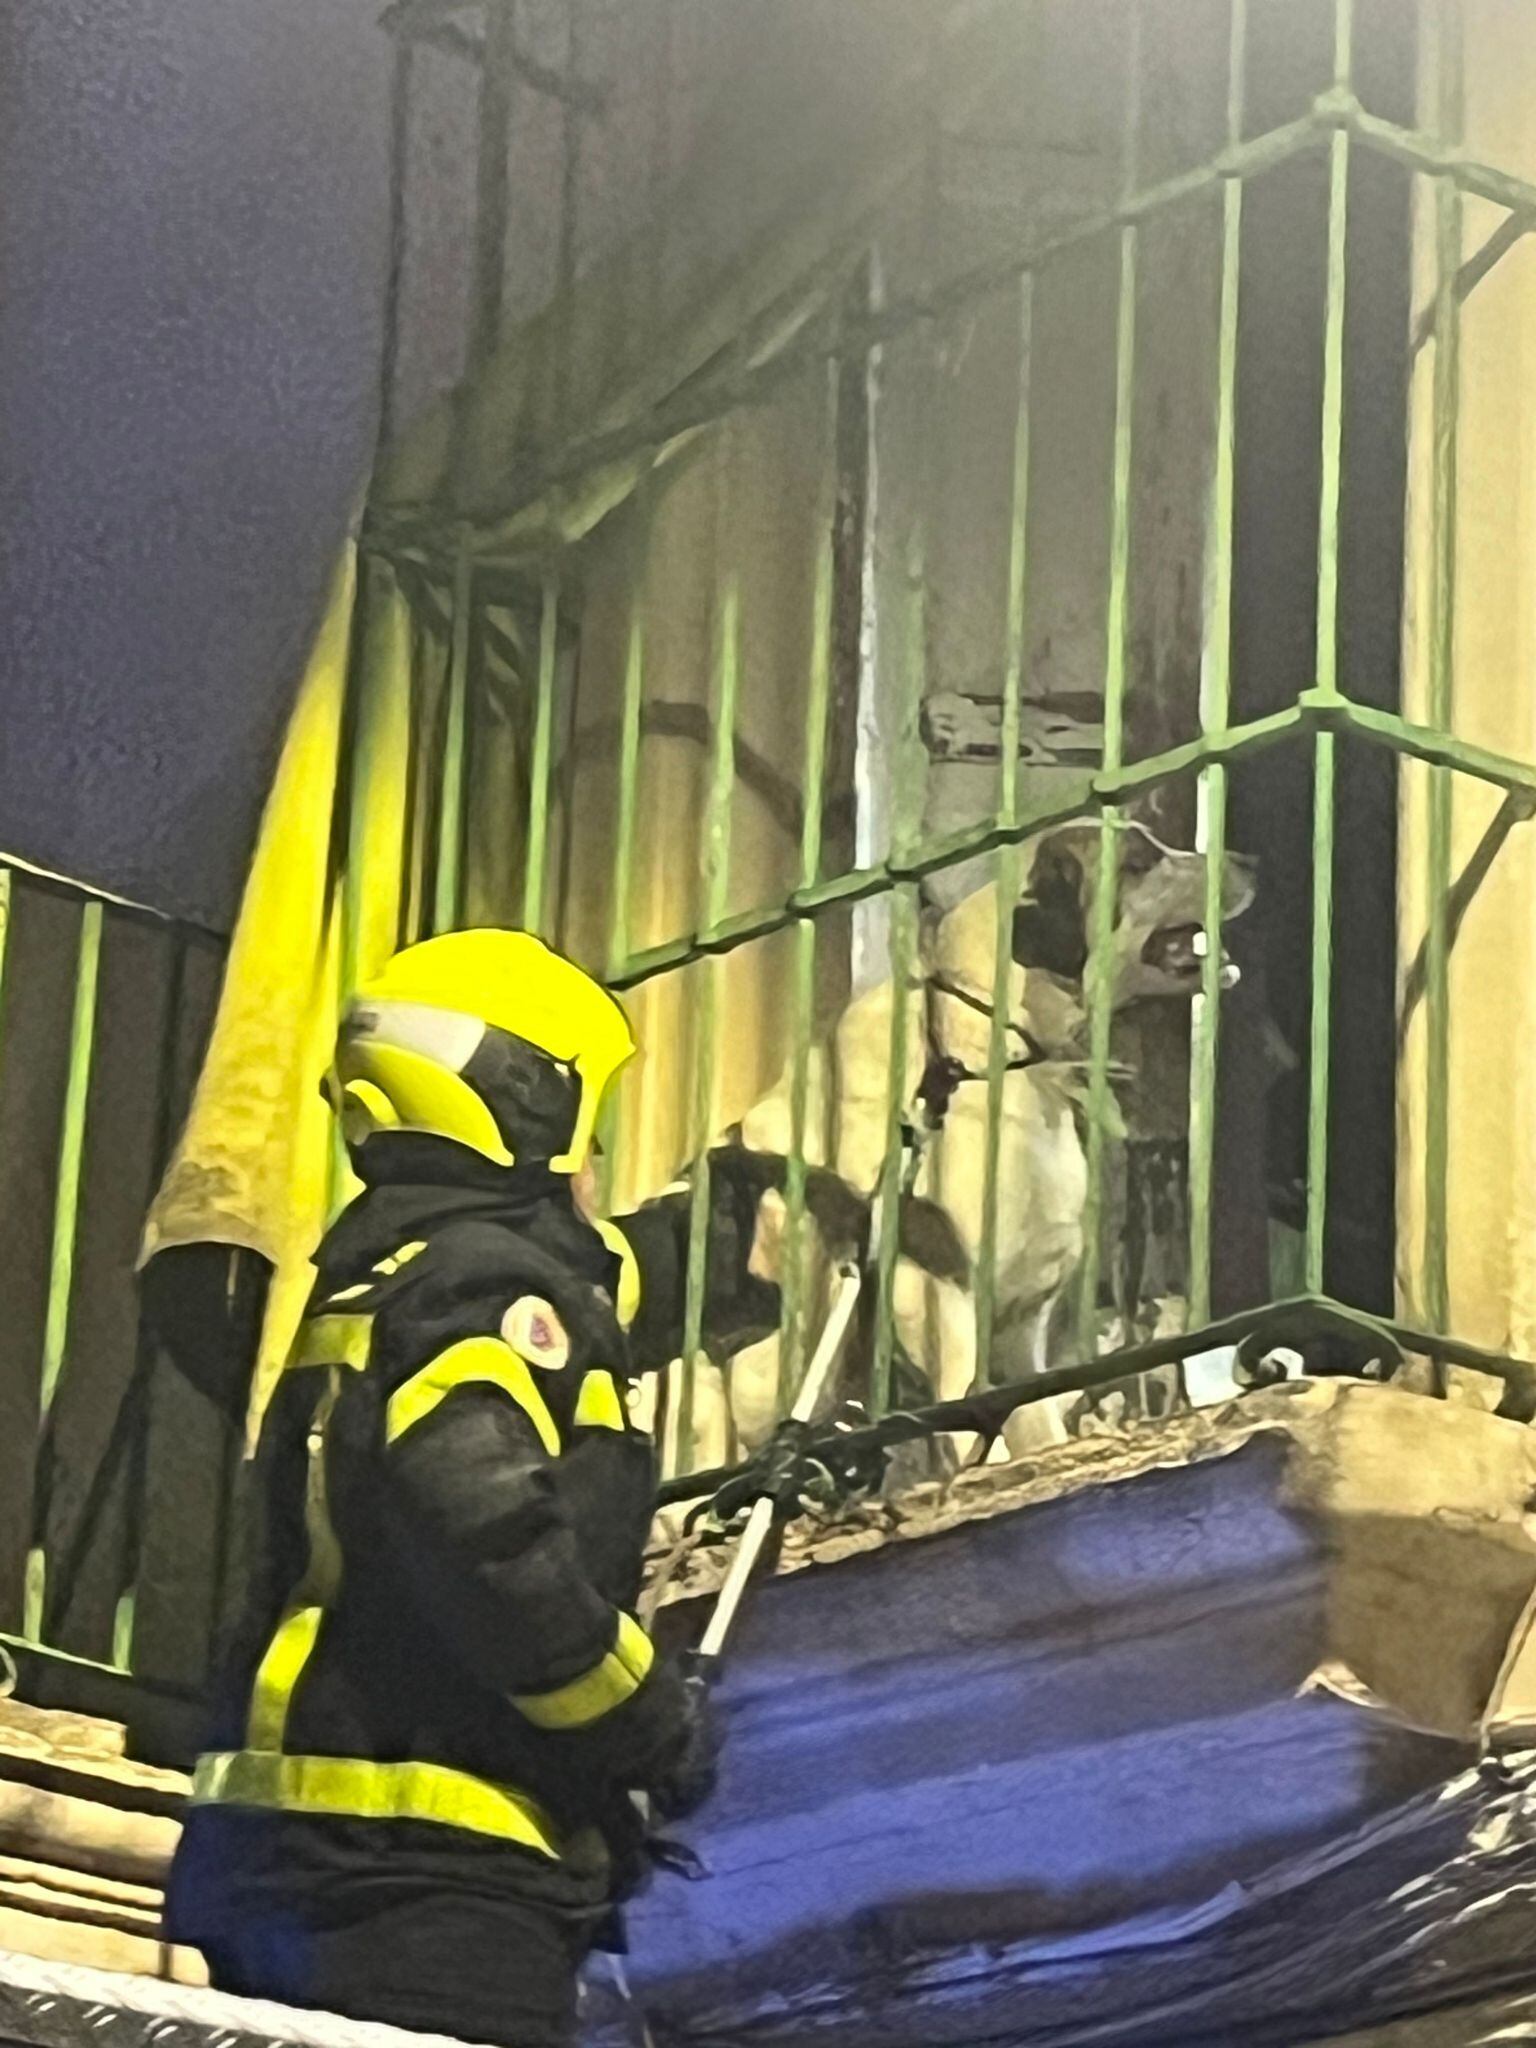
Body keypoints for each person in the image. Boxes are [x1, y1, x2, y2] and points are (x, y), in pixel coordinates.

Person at [165, 930, 717, 2048]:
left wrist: (742, 1218)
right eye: (587, 1117)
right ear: (527, 1102)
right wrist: (651, 1722)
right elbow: (487, 1534)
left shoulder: (389, 1270)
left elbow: (601, 1270)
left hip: (296, 1864)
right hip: (426, 1888)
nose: (594, 1152)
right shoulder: (489, 1288)